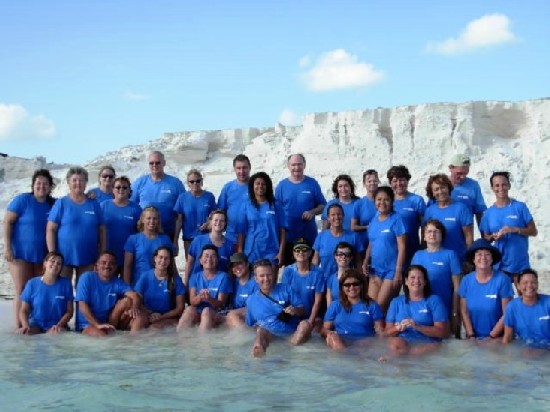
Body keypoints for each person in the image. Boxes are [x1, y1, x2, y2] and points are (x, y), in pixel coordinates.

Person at [4, 169, 56, 326]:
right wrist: (7, 247)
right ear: (33, 185)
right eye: (38, 183)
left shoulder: (53, 204)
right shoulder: (22, 200)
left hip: (42, 256)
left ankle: (33, 322)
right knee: (22, 288)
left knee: (37, 289)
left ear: (50, 187)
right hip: (20, 254)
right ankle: (19, 326)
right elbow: (7, 222)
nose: (41, 186)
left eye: (45, 184)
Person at [47, 167, 106, 284]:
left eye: (81, 180)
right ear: (68, 182)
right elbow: (50, 229)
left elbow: (102, 230)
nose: (78, 183)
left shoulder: (94, 203)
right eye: (74, 180)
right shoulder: (61, 203)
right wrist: (52, 254)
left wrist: (103, 253)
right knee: (63, 290)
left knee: (83, 291)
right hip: (63, 258)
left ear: (86, 183)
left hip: (88, 257)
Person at [480, 171, 538, 290]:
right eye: (497, 185)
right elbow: (485, 238)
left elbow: (533, 231)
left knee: (525, 297)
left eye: (504, 184)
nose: (501, 188)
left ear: (509, 185)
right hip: (498, 264)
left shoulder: (519, 207)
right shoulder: (488, 213)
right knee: (502, 301)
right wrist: (493, 237)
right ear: (492, 188)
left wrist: (515, 229)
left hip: (519, 261)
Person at [245, 259, 310, 357]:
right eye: (262, 276)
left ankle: (289, 351)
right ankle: (258, 365)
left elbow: (303, 311)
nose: (266, 279)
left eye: (269, 275)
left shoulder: (286, 289)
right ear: (256, 278)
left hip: (292, 335)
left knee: (306, 324)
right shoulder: (250, 300)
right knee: (260, 331)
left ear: (273, 274)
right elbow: (249, 326)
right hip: (270, 335)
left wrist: (295, 310)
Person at [383, 265, 449, 357]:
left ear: (425, 282)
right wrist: (397, 328)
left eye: (420, 278)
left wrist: (417, 326)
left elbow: (442, 332)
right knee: (395, 344)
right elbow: (386, 333)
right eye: (412, 278)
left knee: (415, 352)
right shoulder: (396, 302)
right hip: (403, 341)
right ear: (406, 281)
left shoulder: (434, 300)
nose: (416, 281)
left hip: (427, 342)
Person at [76, 252, 147, 336]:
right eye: (104, 262)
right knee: (102, 336)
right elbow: (82, 305)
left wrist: (134, 307)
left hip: (109, 322)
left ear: (115, 267)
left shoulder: (117, 282)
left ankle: (133, 343)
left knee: (138, 312)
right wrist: (97, 325)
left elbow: (135, 295)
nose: (107, 266)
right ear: (97, 265)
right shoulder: (86, 278)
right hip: (88, 324)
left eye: (111, 263)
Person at [411, 219, 462, 337]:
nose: (432, 234)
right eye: (429, 231)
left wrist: (455, 313)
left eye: (436, 231)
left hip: (445, 307)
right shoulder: (418, 255)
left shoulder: (450, 255)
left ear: (442, 236)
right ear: (423, 236)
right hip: (422, 310)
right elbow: (411, 284)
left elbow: (457, 287)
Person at [275, 154, 326, 265]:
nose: (296, 168)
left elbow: (323, 206)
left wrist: (312, 212)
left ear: (304, 165)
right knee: (291, 272)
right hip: (288, 239)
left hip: (309, 238)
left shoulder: (312, 183)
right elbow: (276, 212)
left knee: (310, 272)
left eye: (299, 164)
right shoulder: (282, 186)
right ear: (288, 166)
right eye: (293, 165)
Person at [458, 239, 514, 339]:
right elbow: (464, 311)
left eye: (487, 254)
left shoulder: (503, 280)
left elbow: (507, 313)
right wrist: (471, 336)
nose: (483, 258)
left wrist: (491, 337)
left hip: (498, 338)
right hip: (473, 338)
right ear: (473, 259)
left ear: (492, 259)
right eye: (479, 254)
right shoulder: (466, 280)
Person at [363, 186, 407, 313]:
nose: (382, 203)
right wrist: (366, 261)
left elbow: (402, 247)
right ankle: (377, 332)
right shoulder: (374, 220)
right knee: (371, 307)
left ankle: (387, 332)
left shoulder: (397, 219)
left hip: (391, 271)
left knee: (381, 306)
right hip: (375, 270)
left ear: (392, 201)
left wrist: (398, 272)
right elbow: (371, 243)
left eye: (386, 200)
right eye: (379, 199)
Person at [322, 269, 384, 351]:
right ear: (342, 288)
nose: (352, 287)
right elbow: (324, 329)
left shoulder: (372, 305)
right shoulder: (335, 305)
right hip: (340, 341)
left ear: (361, 286)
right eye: (347, 285)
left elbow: (380, 332)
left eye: (356, 284)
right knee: (333, 337)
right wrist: (330, 333)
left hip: (364, 342)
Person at [237, 172, 286, 274]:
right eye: (257, 183)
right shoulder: (246, 205)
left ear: (268, 186)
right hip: (251, 251)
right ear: (252, 186)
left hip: (271, 251)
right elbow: (241, 231)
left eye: (263, 184)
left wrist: (281, 253)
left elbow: (283, 231)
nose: (260, 186)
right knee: (252, 283)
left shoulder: (276, 205)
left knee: (269, 283)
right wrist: (240, 252)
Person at [130, 151, 185, 242]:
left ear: (164, 163)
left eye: (157, 162)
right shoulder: (140, 183)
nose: (154, 165)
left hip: (168, 235)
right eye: (151, 163)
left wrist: (176, 240)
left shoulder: (175, 183)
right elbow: (131, 206)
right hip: (144, 235)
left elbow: (181, 213)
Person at [177, 245, 232, 332]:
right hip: (198, 312)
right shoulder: (195, 277)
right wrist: (200, 297)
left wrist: (209, 299)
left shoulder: (224, 277)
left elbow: (221, 304)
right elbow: (192, 302)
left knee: (206, 311)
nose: (209, 259)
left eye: (213, 256)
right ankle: (180, 339)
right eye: (206, 256)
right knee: (189, 309)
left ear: (217, 260)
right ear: (200, 260)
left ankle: (201, 342)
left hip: (217, 313)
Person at [17, 252, 73, 335]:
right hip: (36, 325)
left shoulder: (66, 284)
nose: (55, 264)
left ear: (61, 268)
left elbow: (69, 311)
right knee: (25, 334)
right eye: (52, 261)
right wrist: (25, 325)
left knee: (56, 335)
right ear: (45, 263)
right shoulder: (32, 283)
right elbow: (23, 310)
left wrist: (58, 325)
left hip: (57, 326)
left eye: (59, 263)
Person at [423, 174, 473, 262]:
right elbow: (424, 237)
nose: (440, 191)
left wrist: (469, 260)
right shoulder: (429, 211)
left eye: (443, 187)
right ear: (432, 193)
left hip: (459, 259)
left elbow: (469, 236)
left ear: (448, 188)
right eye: (436, 189)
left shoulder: (461, 208)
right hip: (435, 260)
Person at [134, 246, 186, 329]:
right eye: (160, 257)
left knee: (154, 329)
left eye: (166, 258)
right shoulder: (145, 276)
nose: (163, 261)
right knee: (137, 324)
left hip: (168, 317)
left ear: (170, 261)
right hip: (148, 314)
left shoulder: (176, 280)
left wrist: (161, 317)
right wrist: (150, 314)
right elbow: (137, 300)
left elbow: (180, 308)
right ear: (155, 258)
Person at [281, 238, 325, 331]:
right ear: (293, 253)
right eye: (297, 250)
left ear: (310, 252)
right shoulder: (288, 271)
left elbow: (317, 302)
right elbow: (285, 297)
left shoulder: (318, 273)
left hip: (312, 316)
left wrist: (310, 322)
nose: (301, 252)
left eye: (304, 249)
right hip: (293, 314)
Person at [123, 206, 174, 286]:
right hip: (139, 284)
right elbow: (127, 266)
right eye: (149, 218)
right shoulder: (133, 239)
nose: (152, 221)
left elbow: (172, 265)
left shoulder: (165, 239)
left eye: (155, 219)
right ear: (143, 219)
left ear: (158, 221)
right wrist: (127, 289)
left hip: (160, 284)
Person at [101, 176, 142, 273]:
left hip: (128, 255)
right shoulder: (103, 206)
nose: (121, 190)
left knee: (126, 285)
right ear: (113, 190)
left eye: (124, 187)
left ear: (129, 191)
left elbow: (141, 233)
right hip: (108, 254)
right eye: (118, 187)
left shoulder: (136, 209)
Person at [387, 165, 426, 266]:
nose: (399, 184)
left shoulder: (417, 200)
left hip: (412, 249)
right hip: (391, 251)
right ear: (390, 183)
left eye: (402, 180)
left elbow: (424, 226)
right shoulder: (386, 201)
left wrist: (423, 246)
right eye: (395, 181)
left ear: (407, 181)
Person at [173, 169, 217, 258]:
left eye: (197, 181)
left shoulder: (209, 197)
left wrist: (209, 223)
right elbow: (179, 221)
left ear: (201, 181)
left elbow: (215, 216)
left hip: (206, 238)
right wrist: (175, 240)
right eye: (192, 181)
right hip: (189, 239)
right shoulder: (182, 198)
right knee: (190, 265)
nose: (195, 183)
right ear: (188, 183)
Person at [313, 203, 363, 280]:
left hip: (347, 283)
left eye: (339, 214)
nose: (336, 217)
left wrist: (361, 279)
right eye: (333, 215)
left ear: (343, 216)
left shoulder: (353, 237)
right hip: (324, 280)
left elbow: (358, 261)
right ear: (328, 218)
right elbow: (316, 260)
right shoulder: (321, 236)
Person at [185, 209, 235, 285]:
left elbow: (230, 270)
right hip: (197, 285)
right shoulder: (198, 240)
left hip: (219, 287)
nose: (218, 223)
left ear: (225, 224)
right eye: (216, 220)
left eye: (222, 221)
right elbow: (189, 263)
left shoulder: (230, 245)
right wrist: (185, 283)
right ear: (210, 222)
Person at [503, 269, 550, 348]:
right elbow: (507, 338)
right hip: (523, 352)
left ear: (537, 284)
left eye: (533, 282)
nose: (529, 286)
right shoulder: (512, 307)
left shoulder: (548, 303)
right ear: (518, 286)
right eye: (525, 283)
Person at [217, 154, 251, 245]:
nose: (242, 171)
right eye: (238, 168)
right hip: (231, 238)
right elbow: (220, 211)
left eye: (244, 168)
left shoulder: (257, 187)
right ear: (234, 169)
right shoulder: (228, 188)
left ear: (249, 168)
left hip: (252, 238)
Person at [447, 154, 487, 227]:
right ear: (450, 168)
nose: (462, 177)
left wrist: (484, 236)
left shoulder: (473, 186)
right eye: (459, 173)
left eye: (465, 173)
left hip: (466, 236)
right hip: (441, 236)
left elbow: (479, 213)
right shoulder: (440, 185)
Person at [225, 253, 259, 328]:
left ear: (247, 264)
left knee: (231, 315)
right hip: (236, 315)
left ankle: (245, 336)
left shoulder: (256, 281)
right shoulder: (233, 282)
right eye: (233, 265)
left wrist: (234, 313)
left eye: (239, 264)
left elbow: (257, 306)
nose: (236, 267)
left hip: (253, 313)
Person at [351, 169, 379, 248]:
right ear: (364, 184)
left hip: (381, 243)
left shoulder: (384, 202)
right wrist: (367, 227)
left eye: (375, 181)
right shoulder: (359, 204)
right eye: (369, 181)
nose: (372, 183)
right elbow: (353, 227)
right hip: (364, 244)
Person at [326, 242, 356, 306]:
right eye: (340, 254)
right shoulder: (331, 279)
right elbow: (329, 305)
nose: (343, 257)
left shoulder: (357, 278)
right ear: (335, 256)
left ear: (351, 257)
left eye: (347, 254)